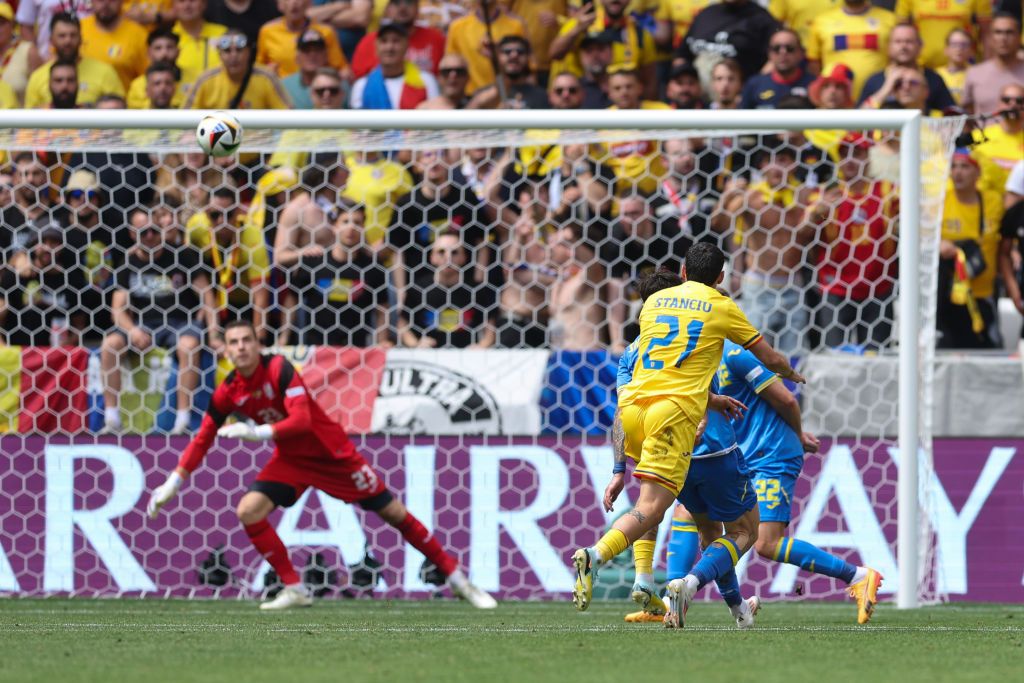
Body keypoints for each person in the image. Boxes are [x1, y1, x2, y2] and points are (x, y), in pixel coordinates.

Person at [146, 319, 498, 609]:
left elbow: (301, 422)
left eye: (246, 340)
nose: (240, 347)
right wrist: (173, 482)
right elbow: (204, 436)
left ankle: (458, 579)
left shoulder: (280, 369)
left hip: (333, 455)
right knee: (249, 511)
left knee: (394, 515)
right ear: (225, 348)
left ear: (258, 344)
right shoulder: (228, 390)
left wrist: (257, 433)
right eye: (233, 342)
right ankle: (294, 587)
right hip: (292, 460)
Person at [570, 241, 805, 613]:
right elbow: (769, 358)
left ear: (682, 272)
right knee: (714, 524)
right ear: (721, 278)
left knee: (695, 523)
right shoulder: (721, 308)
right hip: (678, 420)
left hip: (634, 411)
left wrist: (618, 469)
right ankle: (597, 556)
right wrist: (790, 372)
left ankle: (718, 604)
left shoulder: (652, 308)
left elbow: (666, 367)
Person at [608, 267, 761, 629]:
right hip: (708, 448)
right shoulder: (701, 334)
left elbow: (621, 412)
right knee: (742, 532)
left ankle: (734, 610)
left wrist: (618, 469)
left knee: (684, 523)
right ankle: (685, 586)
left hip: (660, 443)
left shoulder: (634, 353)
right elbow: (698, 388)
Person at [712, 335, 882, 623]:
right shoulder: (699, 355)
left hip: (772, 453)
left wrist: (798, 434)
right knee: (703, 523)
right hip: (743, 456)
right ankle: (687, 600)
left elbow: (787, 399)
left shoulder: (735, 354)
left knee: (767, 543)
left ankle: (858, 576)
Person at [100, 207, 213, 436]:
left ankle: (182, 422)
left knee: (189, 347)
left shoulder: (183, 255)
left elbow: (207, 295)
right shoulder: (127, 261)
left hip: (181, 322)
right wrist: (132, 331)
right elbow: (117, 308)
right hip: (143, 324)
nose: (150, 236)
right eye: (144, 232)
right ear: (133, 234)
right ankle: (111, 420)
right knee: (109, 345)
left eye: (155, 230)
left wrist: (215, 334)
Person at [806, 133, 898, 350]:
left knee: (876, 360)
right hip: (835, 288)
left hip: (878, 287)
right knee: (836, 359)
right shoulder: (825, 194)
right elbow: (801, 232)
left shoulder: (888, 192)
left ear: (867, 157)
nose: (849, 160)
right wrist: (816, 214)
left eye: (856, 154)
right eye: (844, 154)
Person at [290, 201, 391, 347]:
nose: (351, 228)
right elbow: (291, 299)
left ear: (363, 228)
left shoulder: (373, 267)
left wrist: (383, 341)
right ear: (334, 226)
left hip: (358, 354)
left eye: (357, 222)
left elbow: (382, 309)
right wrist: (284, 336)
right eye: (345, 222)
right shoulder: (314, 262)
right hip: (317, 351)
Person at [936, 150, 1004, 349]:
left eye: (965, 166)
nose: (958, 172)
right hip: (947, 297)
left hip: (981, 294)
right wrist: (937, 245)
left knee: (987, 355)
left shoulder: (993, 202)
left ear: (978, 173)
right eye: (954, 166)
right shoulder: (940, 202)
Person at [398, 230, 497, 348]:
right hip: (429, 357)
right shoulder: (418, 289)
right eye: (441, 252)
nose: (448, 257)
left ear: (463, 257)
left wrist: (481, 346)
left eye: (454, 252)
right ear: (432, 257)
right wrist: (415, 344)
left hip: (465, 358)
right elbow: (402, 324)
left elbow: (490, 329)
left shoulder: (476, 290)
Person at [0, 227, 93, 347]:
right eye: (42, 242)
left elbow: (79, 326)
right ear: (33, 245)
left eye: (54, 243)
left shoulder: (72, 280)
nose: (48, 248)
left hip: (57, 355)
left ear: (62, 246)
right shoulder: (15, 276)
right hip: (18, 352)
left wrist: (65, 347)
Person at [548, 0, 658, 99]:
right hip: (580, 99)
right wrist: (577, 29)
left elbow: (649, 80)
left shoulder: (640, 33)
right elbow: (554, 53)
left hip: (620, 101)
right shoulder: (582, 22)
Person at [24, 12, 125, 108]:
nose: (68, 41)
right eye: (62, 36)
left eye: (73, 35)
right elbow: (28, 119)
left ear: (81, 38)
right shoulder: (37, 77)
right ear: (51, 40)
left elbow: (119, 112)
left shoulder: (105, 72)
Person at [807, 0, 896, 100]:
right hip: (835, 101)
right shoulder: (822, 21)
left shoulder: (890, 20)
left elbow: (896, 59)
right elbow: (814, 63)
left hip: (877, 97)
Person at [675, 0, 779, 84]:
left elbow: (777, 58)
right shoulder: (705, 14)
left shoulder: (762, 18)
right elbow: (681, 56)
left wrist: (752, 88)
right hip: (699, 97)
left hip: (738, 98)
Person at [857, 22, 954, 112]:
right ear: (888, 47)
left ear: (920, 46)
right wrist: (886, 88)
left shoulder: (933, 79)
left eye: (909, 42)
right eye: (898, 42)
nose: (903, 46)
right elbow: (856, 122)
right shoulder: (875, 81)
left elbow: (952, 117)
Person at [184, 29, 292, 109]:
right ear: (220, 55)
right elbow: (184, 121)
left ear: (249, 53)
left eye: (239, 50)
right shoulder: (205, 80)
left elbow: (290, 117)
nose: (234, 56)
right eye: (227, 51)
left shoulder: (267, 77)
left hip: (258, 139)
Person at [349, 20, 438, 109]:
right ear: (376, 46)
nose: (389, 47)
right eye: (384, 41)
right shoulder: (361, 86)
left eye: (396, 41)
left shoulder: (426, 80)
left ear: (407, 45)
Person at [444, 0, 527, 94]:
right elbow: (450, 67)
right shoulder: (457, 27)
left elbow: (527, 69)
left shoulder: (516, 26)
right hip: (469, 96)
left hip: (507, 95)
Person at [350, 0, 445, 79]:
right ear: (387, 10)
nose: (402, 7)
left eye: (409, 2)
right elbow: (358, 79)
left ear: (417, 8)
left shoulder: (436, 38)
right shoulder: (370, 41)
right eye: (396, 2)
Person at [256, 0, 346, 78]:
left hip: (317, 90)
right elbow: (258, 70)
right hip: (280, 91)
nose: (294, 2)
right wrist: (268, 72)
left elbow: (341, 69)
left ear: (309, 3)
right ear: (280, 4)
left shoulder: (326, 32)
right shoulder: (267, 31)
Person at [894, 0, 990, 70]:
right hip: (921, 67)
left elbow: (987, 33)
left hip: (963, 68)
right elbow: (900, 34)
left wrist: (988, 68)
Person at [962, 12, 1024, 116]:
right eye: (998, 32)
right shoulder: (975, 73)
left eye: (1009, 32)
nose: (1003, 38)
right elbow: (967, 116)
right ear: (990, 37)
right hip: (983, 131)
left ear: (1019, 37)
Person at [79, 0, 149, 90]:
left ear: (122, 2)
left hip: (124, 101)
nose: (106, 4)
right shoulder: (78, 29)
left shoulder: (138, 34)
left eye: (112, 0)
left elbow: (146, 79)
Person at [467, 35, 548, 110]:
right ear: (497, 57)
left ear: (528, 57)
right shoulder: (483, 94)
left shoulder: (541, 95)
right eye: (507, 51)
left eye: (520, 52)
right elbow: (466, 119)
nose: (514, 55)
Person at [740, 28, 814, 110]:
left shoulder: (813, 85)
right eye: (776, 48)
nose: (783, 52)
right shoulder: (754, 85)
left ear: (801, 53)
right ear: (769, 53)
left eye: (789, 48)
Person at [171, 0, 228, 97]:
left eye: (193, 1)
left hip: (220, 100)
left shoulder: (222, 33)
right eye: (181, 1)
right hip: (181, 104)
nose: (187, 5)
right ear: (174, 6)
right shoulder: (168, 40)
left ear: (204, 4)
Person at [127, 27, 184, 109]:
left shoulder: (195, 79)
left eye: (170, 47)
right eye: (158, 48)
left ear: (178, 51)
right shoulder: (137, 85)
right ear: (149, 53)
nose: (164, 53)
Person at [282, 29, 332, 109]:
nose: (312, 55)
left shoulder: (339, 86)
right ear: (297, 57)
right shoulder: (284, 87)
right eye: (306, 50)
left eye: (317, 50)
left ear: (326, 56)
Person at [1, 2, 35, 105]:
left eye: (1, 23)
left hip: (19, 119)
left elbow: (40, 86)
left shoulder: (28, 51)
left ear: (13, 25)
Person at [935, 28, 973, 106]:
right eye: (954, 44)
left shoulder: (976, 74)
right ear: (946, 49)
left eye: (964, 45)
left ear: (971, 50)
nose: (959, 49)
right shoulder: (936, 75)